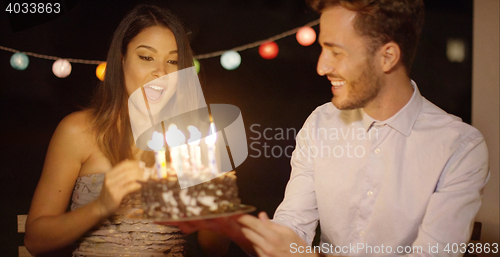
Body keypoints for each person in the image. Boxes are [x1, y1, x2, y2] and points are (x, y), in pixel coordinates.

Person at [174, 0, 490, 256]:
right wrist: (233, 225)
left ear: (388, 57)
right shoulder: (320, 123)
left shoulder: (460, 148)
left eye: (336, 52)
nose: (322, 66)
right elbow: (293, 228)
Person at [24, 5, 227, 257]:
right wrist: (101, 206)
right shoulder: (78, 131)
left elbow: (214, 248)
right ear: (121, 60)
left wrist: (216, 200)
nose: (160, 72)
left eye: (173, 61)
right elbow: (35, 240)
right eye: (146, 57)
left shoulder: (192, 140)